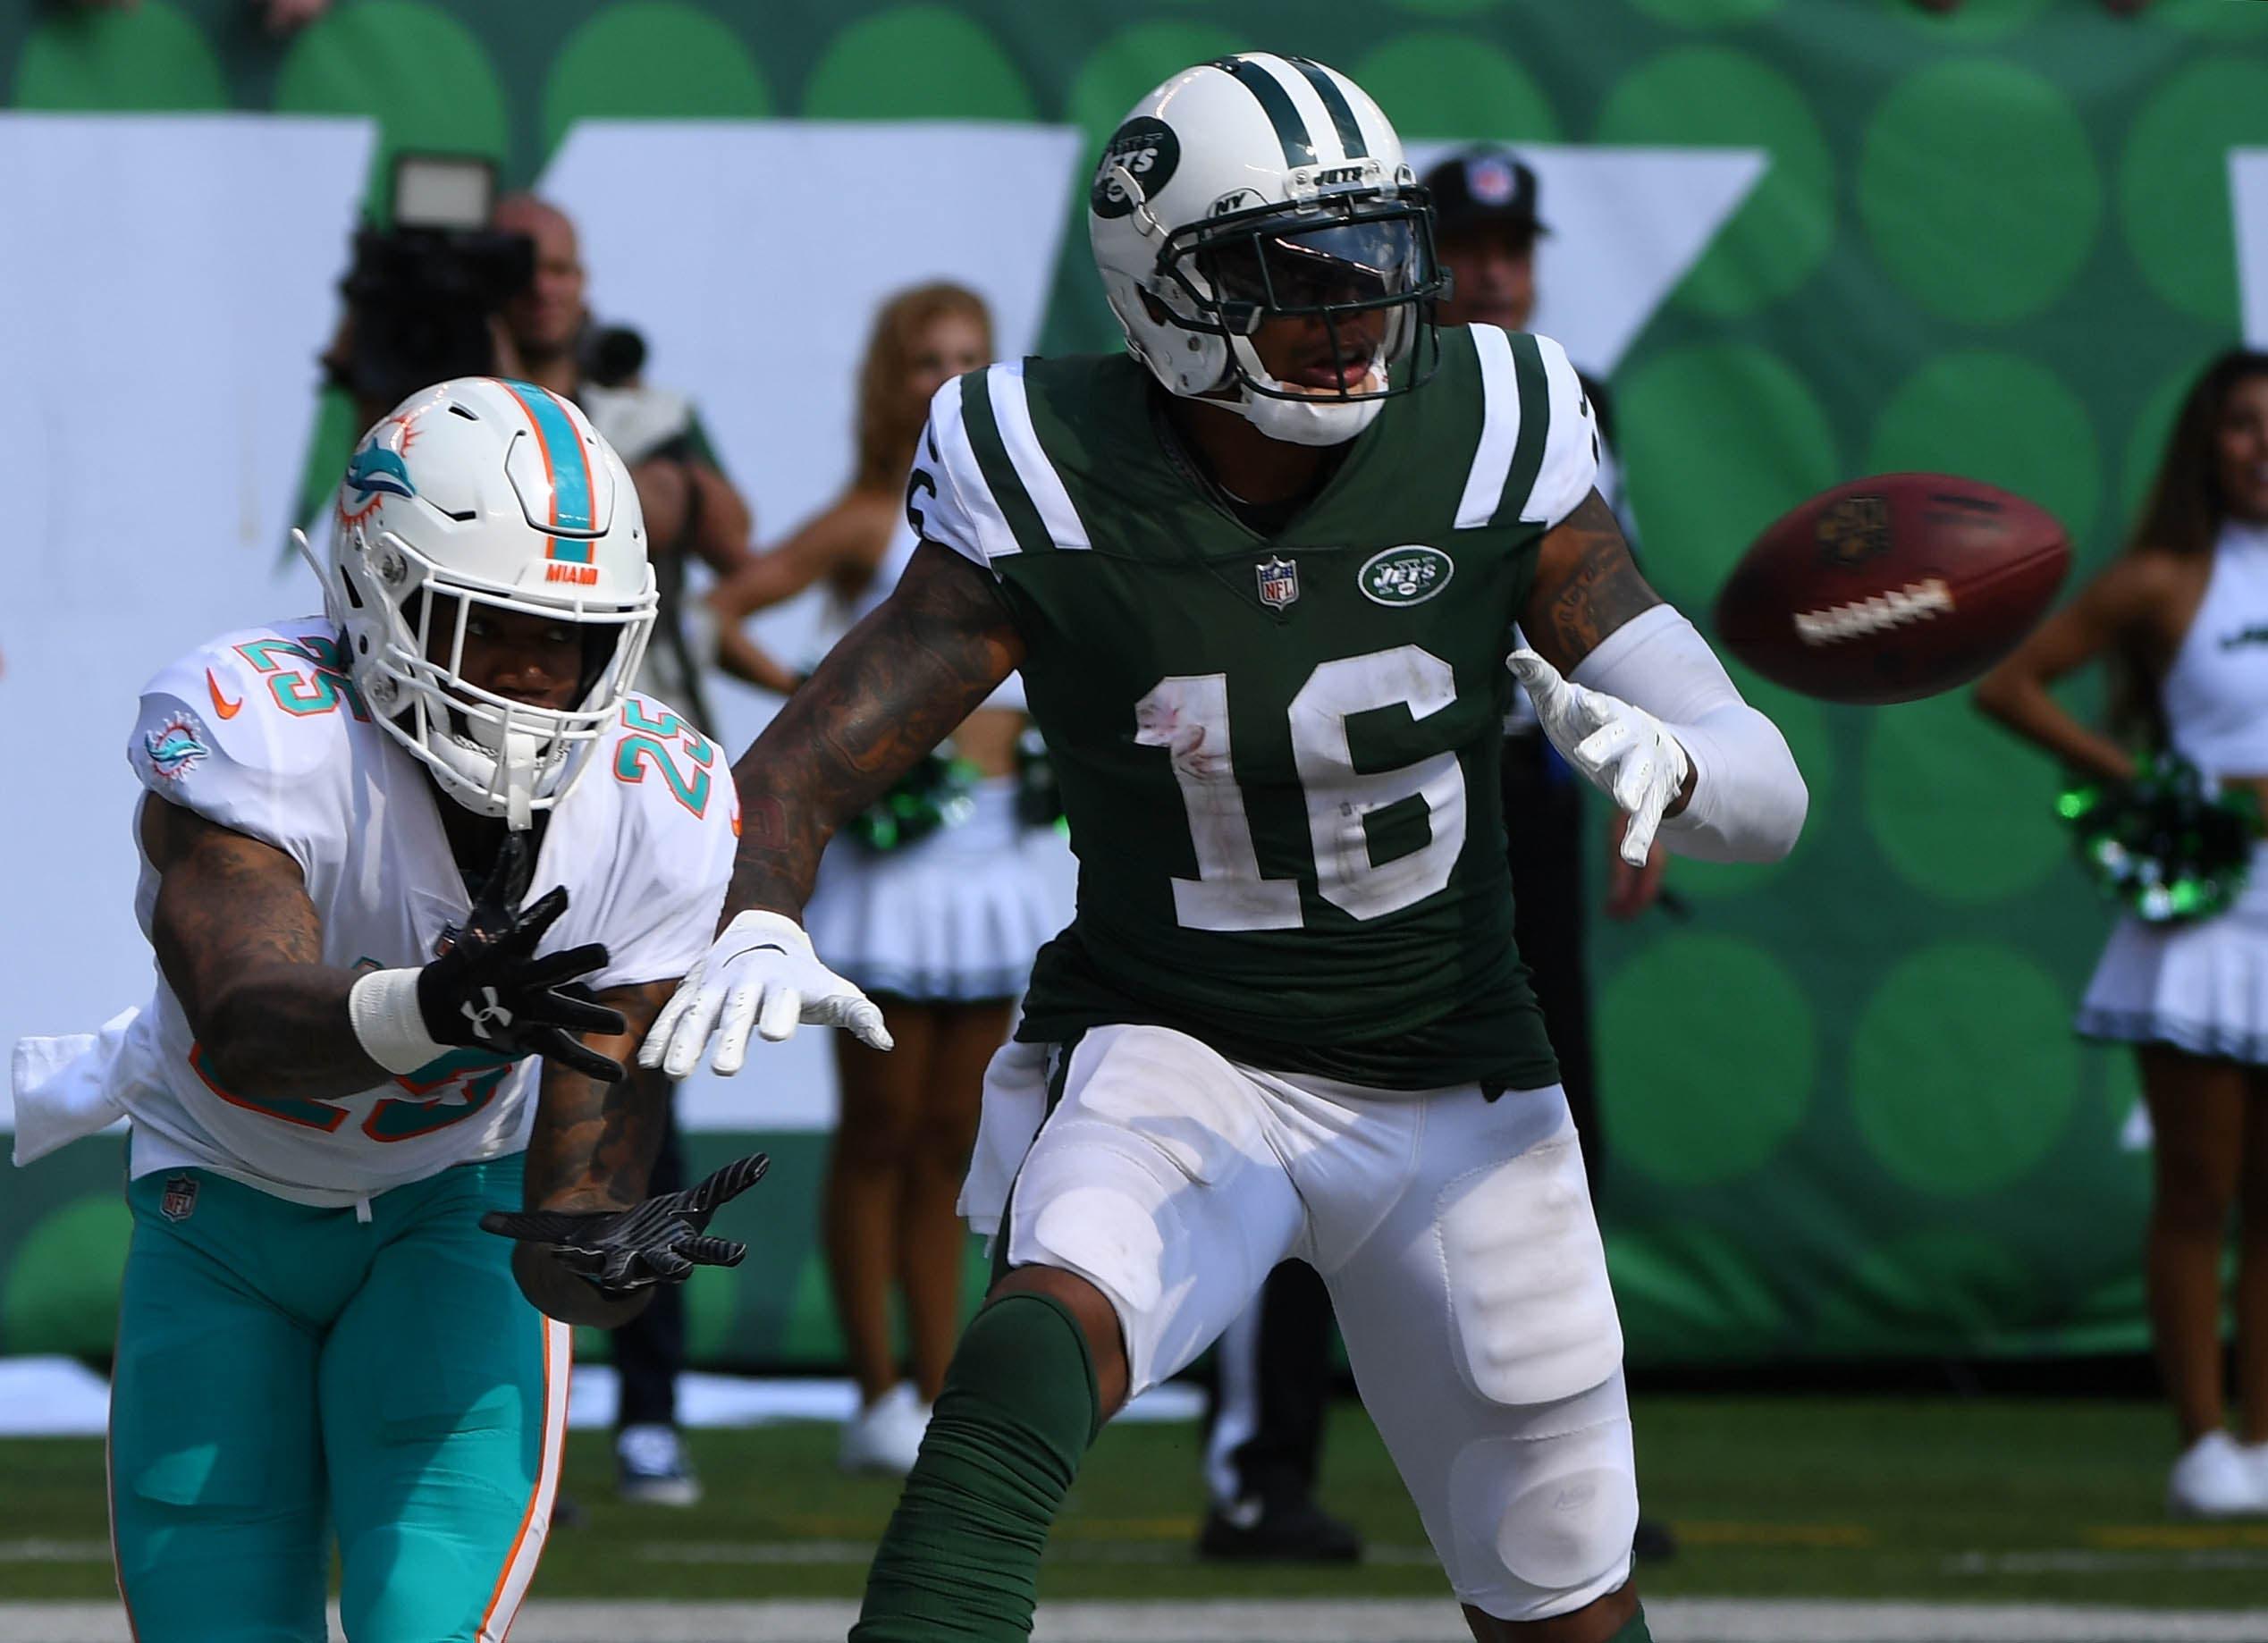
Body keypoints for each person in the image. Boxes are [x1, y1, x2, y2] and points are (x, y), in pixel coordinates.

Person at [646, 53, 1806, 1642]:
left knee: (1557, 1594)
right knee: (1035, 1331)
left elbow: (1770, 788)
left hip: (1456, 1075)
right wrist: (760, 920)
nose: (1354, 311)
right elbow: (794, 771)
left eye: (1374, 260)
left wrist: (1674, 759)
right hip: (1179, 1039)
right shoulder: (1040, 460)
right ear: (1164, 293)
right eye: (1294, 274)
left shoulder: (1494, 419)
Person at [8, 376, 750, 1640]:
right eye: (486, 625)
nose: (531, 672)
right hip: (220, 1206)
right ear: (377, 592)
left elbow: (563, 1214)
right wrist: (433, 1006)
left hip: (451, 1211)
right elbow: (245, 1015)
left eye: (564, 639)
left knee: (424, 1624)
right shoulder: (257, 724)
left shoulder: (655, 801)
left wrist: (614, 1258)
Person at [707, 282, 1073, 1474]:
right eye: (925, 359)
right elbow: (724, 609)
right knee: (878, 1128)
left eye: (968, 357)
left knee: (959, 1137)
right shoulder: (871, 519)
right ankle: (872, 1394)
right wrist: (824, 718)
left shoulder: (1030, 519)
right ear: (889, 377)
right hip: (890, 863)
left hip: (999, 853)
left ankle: (935, 1381)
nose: (945, 377)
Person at [1426, 144, 1675, 1565]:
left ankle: (1589, 1482)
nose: (1493, 270)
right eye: (1465, 245)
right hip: (1385, 782)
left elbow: (1611, 600)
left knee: (1551, 1126)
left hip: (1531, 782)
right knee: (1297, 1085)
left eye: (1510, 248)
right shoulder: (1365, 395)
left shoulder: (1577, 396)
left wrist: (1646, 775)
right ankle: (1262, 1462)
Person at [493, 190, 759, 1503]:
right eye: (523, 267)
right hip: (488, 780)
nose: (550, 289)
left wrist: (676, 484)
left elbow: (736, 539)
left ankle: (649, 1393)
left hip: (628, 769)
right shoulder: (449, 405)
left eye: (563, 265)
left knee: (642, 1082)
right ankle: (484, 1370)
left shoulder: (641, 404)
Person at [1977, 348, 2268, 1518]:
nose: (2262, 447)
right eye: (2243, 426)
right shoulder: (2163, 579)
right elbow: (2009, 684)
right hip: (2204, 916)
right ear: (2207, 443)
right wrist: (2148, 785)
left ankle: (2262, 1438)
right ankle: (2200, 1441)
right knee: (2198, 1188)